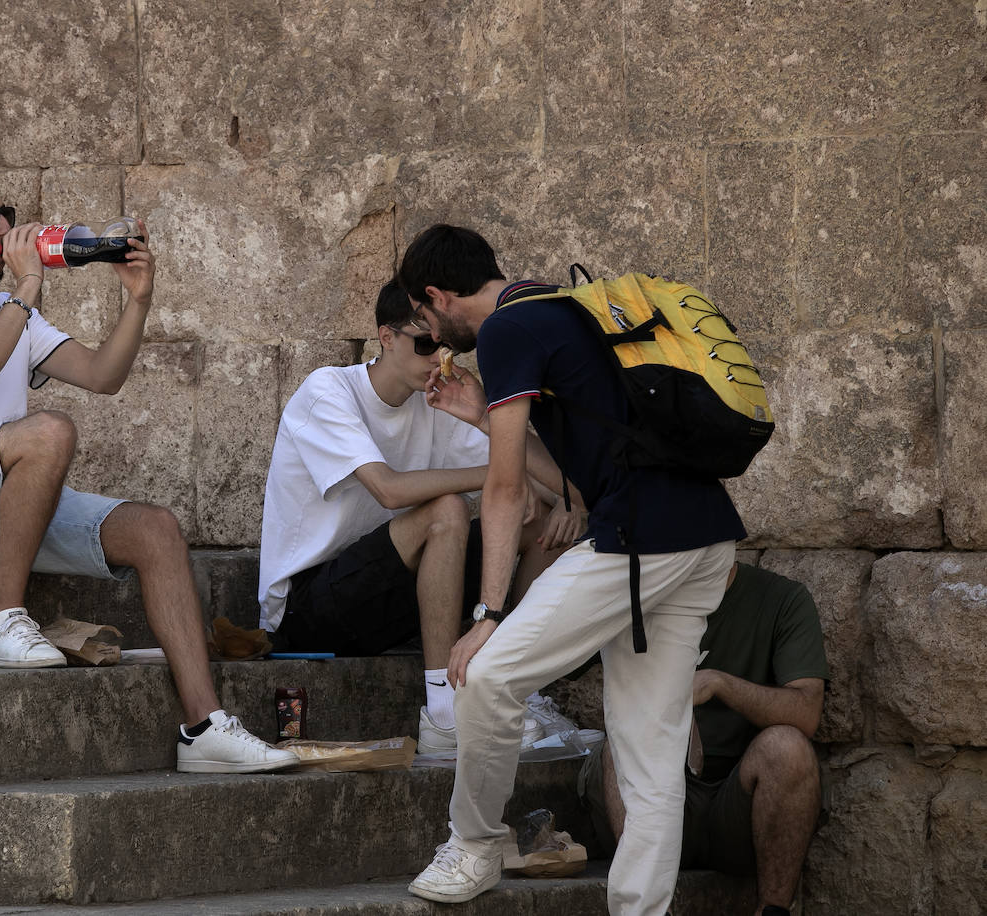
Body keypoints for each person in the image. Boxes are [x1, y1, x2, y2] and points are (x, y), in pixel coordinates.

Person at [0, 166, 296, 775]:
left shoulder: (5, 308)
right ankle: (0, 621)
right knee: (49, 432)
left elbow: (102, 375)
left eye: (6, 212)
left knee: (156, 530)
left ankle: (204, 728)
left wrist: (137, 299)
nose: (5, 227)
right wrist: (29, 285)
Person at [396, 225, 747, 915]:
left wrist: (488, 615)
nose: (432, 337)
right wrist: (478, 414)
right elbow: (577, 486)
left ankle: (474, 846)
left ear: (437, 296)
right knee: (651, 761)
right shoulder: (566, 307)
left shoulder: (505, 334)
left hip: (640, 545)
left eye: (424, 321)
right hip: (703, 538)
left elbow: (502, 491)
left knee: (488, 675)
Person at [258, 280, 586, 755]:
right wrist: (498, 471)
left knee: (536, 523)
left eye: (446, 345)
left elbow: (559, 487)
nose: (439, 357)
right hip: (308, 608)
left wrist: (482, 418)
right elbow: (388, 489)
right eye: (426, 343)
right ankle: (442, 714)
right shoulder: (328, 390)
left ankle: (521, 691)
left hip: (393, 592)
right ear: (385, 337)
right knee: (448, 510)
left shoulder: (436, 398)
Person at [579, 562, 828, 916]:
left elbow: (806, 712)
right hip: (652, 789)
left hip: (738, 802)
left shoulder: (781, 598)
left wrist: (721, 685)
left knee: (788, 749)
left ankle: (773, 909)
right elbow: (552, 652)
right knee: (617, 751)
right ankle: (642, 905)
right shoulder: (635, 592)